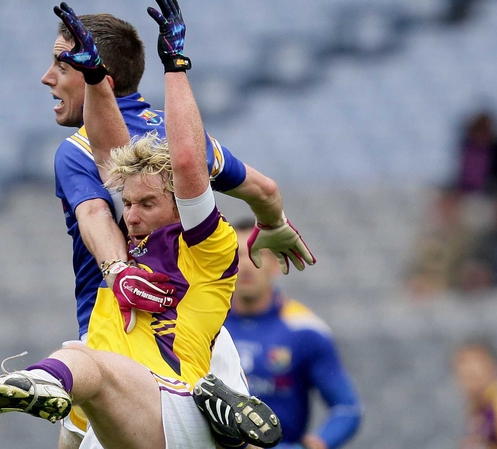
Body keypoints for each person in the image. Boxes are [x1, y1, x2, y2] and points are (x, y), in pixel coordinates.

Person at [0, 2, 283, 448]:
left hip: (162, 373)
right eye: (125, 204)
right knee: (83, 370)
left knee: (84, 363)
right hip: (136, 351)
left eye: (145, 203)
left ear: (178, 199)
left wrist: (176, 65)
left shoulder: (201, 236)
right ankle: (220, 425)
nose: (128, 215)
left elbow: (152, 184)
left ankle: (44, 381)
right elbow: (120, 164)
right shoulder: (144, 189)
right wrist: (275, 221)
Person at [41, 2, 314, 448]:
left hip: (123, 335)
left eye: (60, 64)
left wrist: (117, 270)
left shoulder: (76, 149)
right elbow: (263, 190)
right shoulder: (182, 135)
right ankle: (215, 415)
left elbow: (95, 212)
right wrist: (274, 223)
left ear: (101, 77)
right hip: (203, 334)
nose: (47, 76)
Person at [223, 218, 362, 449]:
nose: (246, 264)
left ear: (276, 264)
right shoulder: (207, 326)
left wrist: (313, 445)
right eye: (237, 255)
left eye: (256, 254)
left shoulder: (304, 330)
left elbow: (347, 409)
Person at [453, 337, 497, 449]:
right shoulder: (479, 408)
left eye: (478, 360)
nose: (469, 368)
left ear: (494, 367)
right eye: (462, 361)